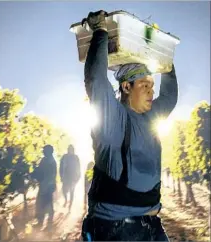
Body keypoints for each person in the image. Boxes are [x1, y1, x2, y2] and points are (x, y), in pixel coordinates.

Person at [80, 10, 178, 241]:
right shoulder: (113, 118)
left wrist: (167, 64)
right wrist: (101, 32)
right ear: (126, 87)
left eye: (152, 86)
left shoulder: (151, 116)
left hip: (151, 224)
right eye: (144, 85)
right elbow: (96, 80)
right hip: (116, 229)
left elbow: (170, 97)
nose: (151, 92)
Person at [32, 145, 57, 231]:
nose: (43, 151)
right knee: (42, 205)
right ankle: (42, 223)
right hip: (45, 186)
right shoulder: (46, 160)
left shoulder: (49, 162)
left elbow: (45, 174)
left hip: (47, 187)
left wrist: (35, 170)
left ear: (48, 151)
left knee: (46, 206)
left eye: (44, 150)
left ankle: (48, 226)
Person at [60, 145, 81, 211]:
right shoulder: (64, 157)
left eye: (71, 149)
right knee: (64, 191)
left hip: (73, 178)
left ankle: (70, 206)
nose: (70, 150)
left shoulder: (76, 157)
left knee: (72, 192)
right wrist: (61, 176)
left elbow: (78, 167)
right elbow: (61, 167)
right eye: (69, 149)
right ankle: (66, 200)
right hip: (65, 177)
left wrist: (78, 177)